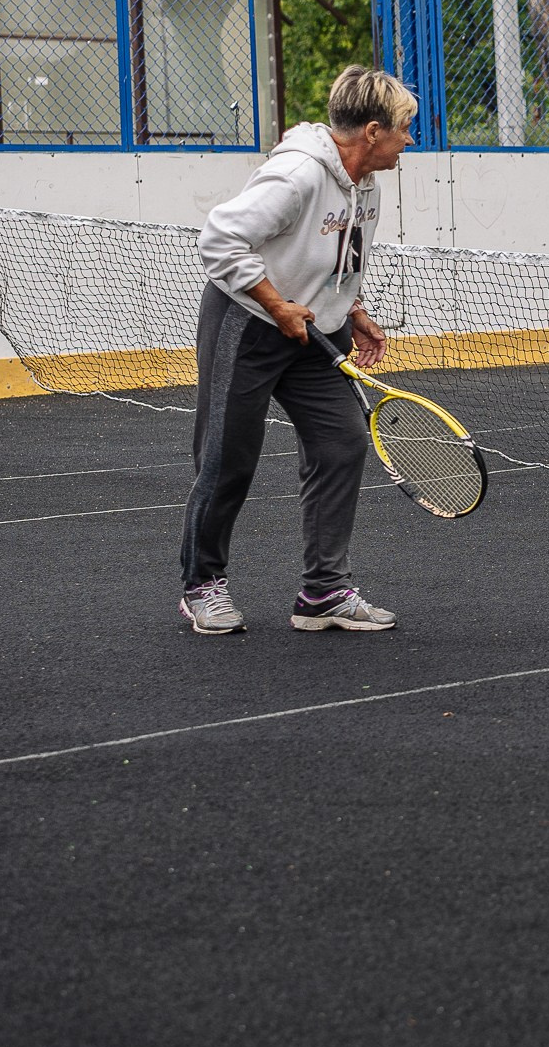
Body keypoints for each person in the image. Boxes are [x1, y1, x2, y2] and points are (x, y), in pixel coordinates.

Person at [178, 67, 415, 634]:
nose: (413, 139)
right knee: (226, 459)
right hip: (252, 321)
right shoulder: (297, 175)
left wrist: (353, 311)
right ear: (375, 131)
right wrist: (277, 304)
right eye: (406, 128)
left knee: (341, 444)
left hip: (316, 333)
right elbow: (219, 240)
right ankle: (201, 586)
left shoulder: (368, 185)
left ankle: (325, 592)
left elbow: (338, 258)